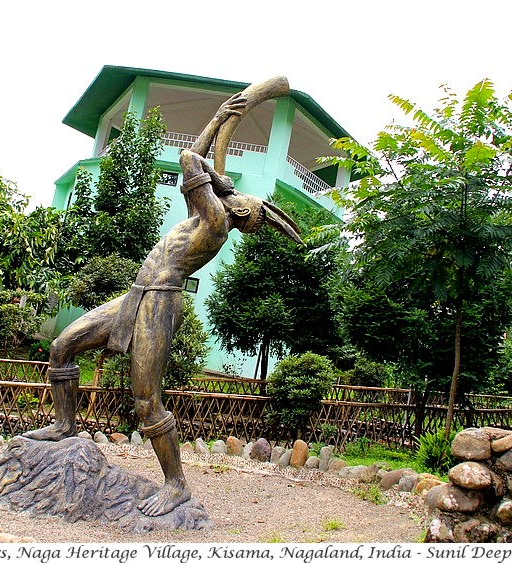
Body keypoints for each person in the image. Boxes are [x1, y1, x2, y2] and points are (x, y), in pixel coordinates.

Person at [23, 92, 302, 517]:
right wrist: (220, 119)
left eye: (247, 200)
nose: (242, 195)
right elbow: (190, 161)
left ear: (242, 212)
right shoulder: (201, 213)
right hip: (136, 294)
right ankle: (64, 425)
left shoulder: (215, 222)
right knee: (62, 346)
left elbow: (191, 159)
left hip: (159, 303)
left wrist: (216, 160)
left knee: (146, 400)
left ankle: (176, 485)